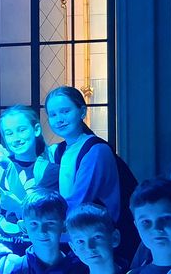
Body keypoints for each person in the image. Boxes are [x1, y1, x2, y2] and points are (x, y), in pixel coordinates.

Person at [0, 105, 57, 256]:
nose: (16, 138)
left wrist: (9, 168)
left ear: (36, 130)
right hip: (0, 252)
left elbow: (35, 212)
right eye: (9, 133)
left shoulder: (50, 171)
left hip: (35, 253)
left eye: (22, 130)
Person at [43, 86, 121, 223]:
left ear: (83, 111)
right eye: (53, 115)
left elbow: (79, 201)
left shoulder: (96, 150)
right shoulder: (59, 150)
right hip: (71, 227)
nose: (59, 119)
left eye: (65, 111)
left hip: (94, 229)